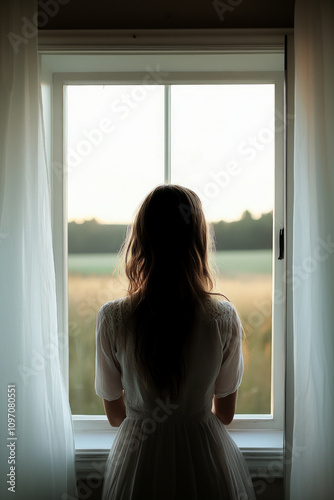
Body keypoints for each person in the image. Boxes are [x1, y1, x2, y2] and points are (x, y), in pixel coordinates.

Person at [95, 184, 256, 499]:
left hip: (137, 461)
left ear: (141, 241)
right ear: (196, 242)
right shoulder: (222, 317)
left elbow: (116, 417)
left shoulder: (113, 317)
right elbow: (224, 413)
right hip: (204, 458)